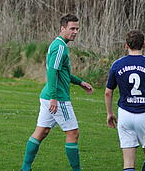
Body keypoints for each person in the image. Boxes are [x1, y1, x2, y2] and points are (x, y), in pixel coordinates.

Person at [21, 14, 93, 171]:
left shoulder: (59, 45)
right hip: (57, 98)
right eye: (72, 28)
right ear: (63, 28)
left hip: (48, 96)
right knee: (73, 133)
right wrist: (54, 97)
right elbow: (52, 72)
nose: (75, 32)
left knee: (41, 132)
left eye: (77, 29)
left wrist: (80, 82)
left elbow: (62, 72)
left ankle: (25, 168)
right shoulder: (60, 47)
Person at [105, 30, 145, 171]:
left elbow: (108, 92)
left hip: (125, 114)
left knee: (128, 162)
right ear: (144, 45)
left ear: (126, 45)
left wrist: (109, 113)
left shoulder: (117, 64)